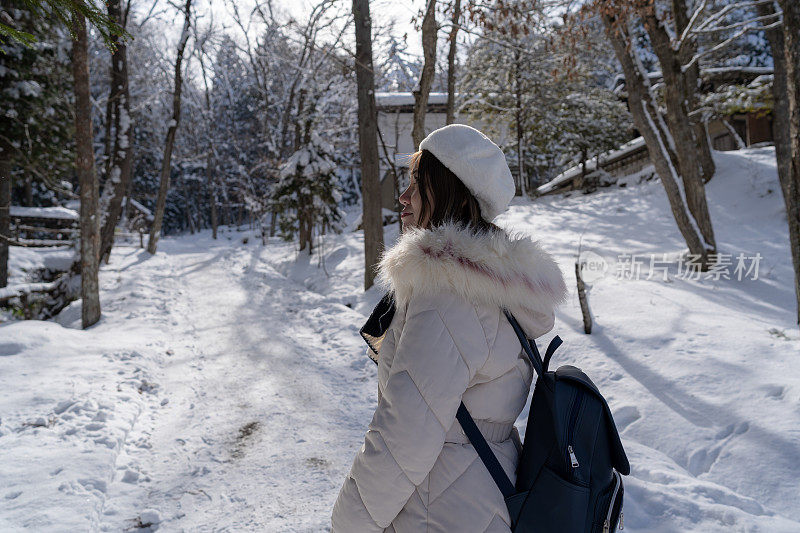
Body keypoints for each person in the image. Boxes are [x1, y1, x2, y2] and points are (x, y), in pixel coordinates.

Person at [331, 124, 568, 532]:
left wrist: (348, 523)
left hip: (436, 509)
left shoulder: (448, 295)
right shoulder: (493, 287)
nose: (402, 198)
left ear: (453, 193)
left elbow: (406, 431)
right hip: (478, 495)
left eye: (417, 185)